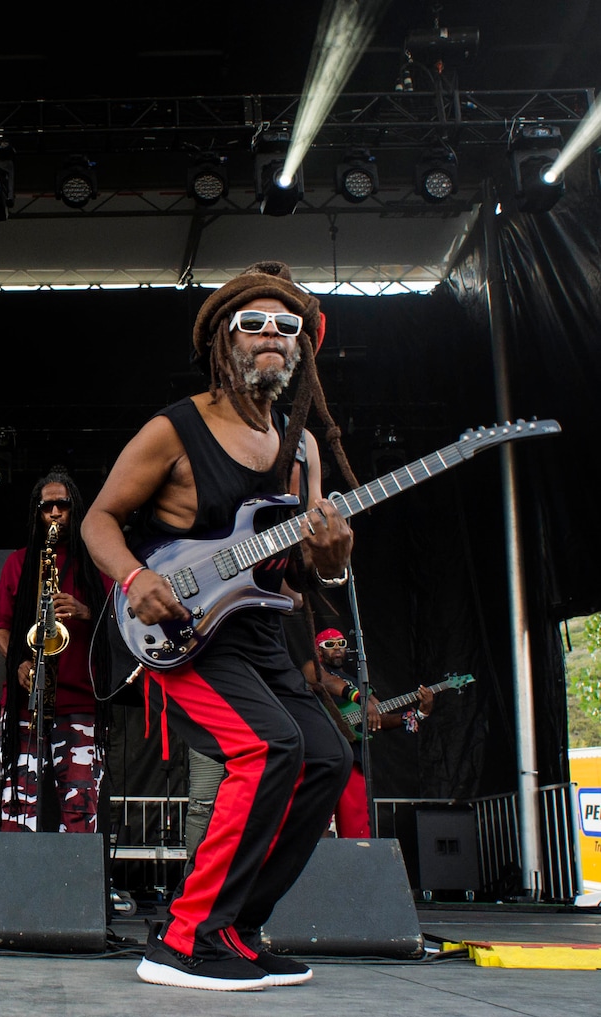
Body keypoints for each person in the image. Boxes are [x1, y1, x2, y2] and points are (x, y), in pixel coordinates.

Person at [81, 260, 358, 992]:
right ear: (225, 341)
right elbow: (98, 519)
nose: (271, 333)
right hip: (184, 631)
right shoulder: (175, 428)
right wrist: (136, 578)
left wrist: (330, 563)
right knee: (268, 745)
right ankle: (182, 937)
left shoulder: (301, 450)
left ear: (302, 347)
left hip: (261, 633)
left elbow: (305, 566)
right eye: (254, 322)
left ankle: (236, 926)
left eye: (286, 325)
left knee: (326, 755)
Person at [0, 470, 111, 833]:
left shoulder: (95, 563)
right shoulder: (18, 563)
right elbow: (1, 627)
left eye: (63, 505)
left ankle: (74, 889)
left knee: (80, 808)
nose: (55, 513)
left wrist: (87, 611)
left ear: (75, 509)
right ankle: (16, 887)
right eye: (47, 507)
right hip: (25, 704)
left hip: (81, 703)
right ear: (37, 513)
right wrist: (19, 663)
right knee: (18, 808)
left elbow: (124, 622)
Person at [303, 627, 434, 838]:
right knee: (318, 821)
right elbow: (326, 681)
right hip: (321, 754)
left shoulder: (358, 682)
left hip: (353, 758)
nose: (337, 648)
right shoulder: (313, 668)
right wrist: (360, 699)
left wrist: (419, 714)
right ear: (318, 650)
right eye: (330, 644)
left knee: (356, 827)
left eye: (341, 643)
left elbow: (379, 717)